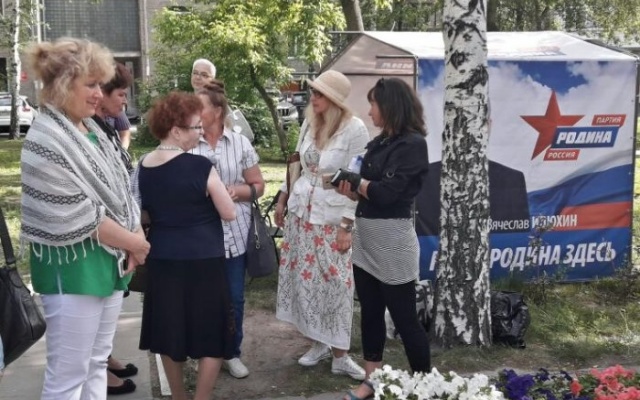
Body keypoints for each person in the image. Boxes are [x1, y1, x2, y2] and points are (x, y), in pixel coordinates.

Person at [20, 37, 149, 400]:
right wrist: (137, 243)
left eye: (100, 84)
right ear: (63, 85)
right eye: (90, 84)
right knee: (67, 377)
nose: (98, 94)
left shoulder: (90, 129)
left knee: (96, 363)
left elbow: (121, 191)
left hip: (109, 261)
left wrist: (134, 234)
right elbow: (80, 214)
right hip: (73, 267)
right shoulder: (46, 139)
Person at [336, 77, 431, 400]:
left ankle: (424, 385)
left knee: (405, 320)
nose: (370, 111)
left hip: (393, 243)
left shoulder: (413, 145)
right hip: (365, 241)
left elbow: (387, 194)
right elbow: (368, 188)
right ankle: (371, 381)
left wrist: (358, 183)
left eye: (373, 104)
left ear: (390, 106)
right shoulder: (378, 143)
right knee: (371, 313)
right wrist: (350, 186)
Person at [137, 91, 236, 400]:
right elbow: (229, 213)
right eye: (196, 127)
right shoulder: (201, 166)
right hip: (204, 258)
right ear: (176, 130)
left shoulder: (142, 166)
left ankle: (178, 396)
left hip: (163, 257)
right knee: (212, 333)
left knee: (169, 331)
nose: (201, 133)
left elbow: (140, 214)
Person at [274, 70, 369, 380]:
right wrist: (283, 198)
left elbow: (358, 182)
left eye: (319, 94)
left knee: (338, 285)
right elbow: (297, 164)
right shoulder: (310, 123)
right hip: (302, 214)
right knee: (308, 283)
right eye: (313, 92)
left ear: (335, 100)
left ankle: (341, 354)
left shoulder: (355, 130)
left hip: (332, 218)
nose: (312, 98)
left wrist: (346, 226)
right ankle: (319, 343)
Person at [191, 81, 265, 379]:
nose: (194, 112)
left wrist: (238, 191)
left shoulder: (240, 143)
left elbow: (258, 185)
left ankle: (231, 352)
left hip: (235, 234)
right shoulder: (187, 142)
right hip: (200, 236)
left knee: (234, 298)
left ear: (218, 111)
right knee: (200, 297)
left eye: (200, 107)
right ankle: (204, 351)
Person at [92, 62, 139, 396]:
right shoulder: (89, 129)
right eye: (120, 94)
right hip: (103, 238)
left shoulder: (105, 124)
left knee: (110, 306)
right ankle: (101, 369)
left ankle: (105, 360)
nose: (124, 101)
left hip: (116, 234)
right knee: (99, 310)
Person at [191, 58, 254, 142]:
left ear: (212, 80)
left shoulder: (217, 105)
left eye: (204, 75)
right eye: (195, 73)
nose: (198, 77)